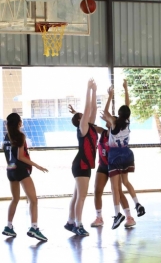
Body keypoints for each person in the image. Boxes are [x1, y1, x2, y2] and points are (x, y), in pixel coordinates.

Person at [82, 86, 136, 228]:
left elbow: (112, 114)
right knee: (97, 190)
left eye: (109, 118)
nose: (106, 119)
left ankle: (129, 217)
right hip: (104, 165)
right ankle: (99, 217)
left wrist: (111, 96)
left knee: (118, 191)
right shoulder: (103, 132)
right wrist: (78, 115)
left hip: (115, 165)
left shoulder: (114, 129)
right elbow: (89, 125)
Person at [101, 80, 145, 230]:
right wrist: (126, 89)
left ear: (118, 114)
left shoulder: (113, 122)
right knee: (126, 182)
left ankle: (117, 214)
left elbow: (105, 112)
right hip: (127, 154)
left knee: (115, 188)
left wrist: (110, 96)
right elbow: (127, 106)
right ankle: (137, 203)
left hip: (115, 156)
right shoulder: (127, 121)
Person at [1, 112, 49, 242]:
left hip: (10, 170)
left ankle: (9, 226)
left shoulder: (6, 136)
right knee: (33, 200)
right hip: (20, 170)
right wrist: (38, 166)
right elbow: (21, 156)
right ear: (18, 123)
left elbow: (5, 152)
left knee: (15, 199)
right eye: (20, 120)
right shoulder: (20, 136)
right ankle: (34, 227)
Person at [64, 79, 98, 236]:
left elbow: (93, 108)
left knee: (77, 195)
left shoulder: (89, 125)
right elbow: (88, 107)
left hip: (83, 164)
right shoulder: (83, 127)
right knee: (82, 196)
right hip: (81, 164)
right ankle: (78, 224)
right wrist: (87, 89)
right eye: (81, 115)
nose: (85, 115)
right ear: (79, 120)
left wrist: (95, 92)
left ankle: (70, 222)